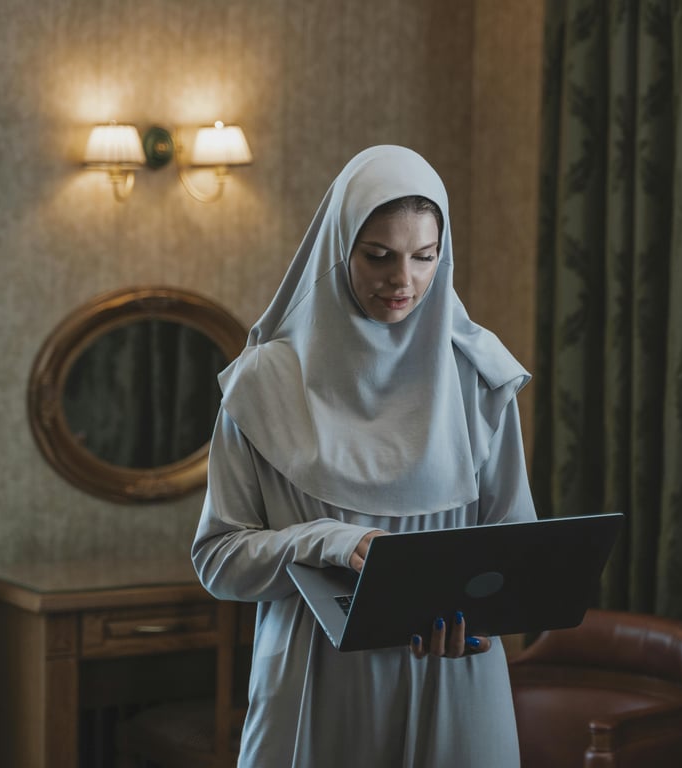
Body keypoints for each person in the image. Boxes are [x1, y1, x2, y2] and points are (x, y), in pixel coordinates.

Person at [192, 144, 537, 767]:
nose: (403, 280)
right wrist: (324, 539)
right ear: (338, 247)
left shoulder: (478, 377)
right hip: (317, 684)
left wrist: (480, 617)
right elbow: (219, 559)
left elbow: (515, 543)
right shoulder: (264, 383)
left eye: (425, 257)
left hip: (453, 677)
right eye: (378, 256)